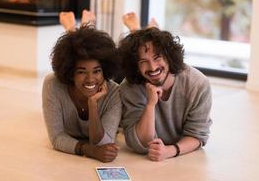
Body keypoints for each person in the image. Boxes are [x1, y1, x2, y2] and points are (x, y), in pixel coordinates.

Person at [118, 12, 212, 161]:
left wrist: (171, 150)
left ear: (169, 56)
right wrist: (150, 105)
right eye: (143, 62)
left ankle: (140, 29)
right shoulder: (129, 87)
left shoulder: (198, 84)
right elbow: (140, 143)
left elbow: (196, 135)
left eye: (157, 58)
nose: (153, 67)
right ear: (136, 66)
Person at [42, 10, 122, 163]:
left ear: (105, 69)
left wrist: (93, 104)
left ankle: (78, 27)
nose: (90, 78)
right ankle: (74, 27)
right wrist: (88, 150)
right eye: (81, 72)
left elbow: (104, 144)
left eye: (97, 71)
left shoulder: (114, 92)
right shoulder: (52, 84)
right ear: (70, 72)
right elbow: (57, 137)